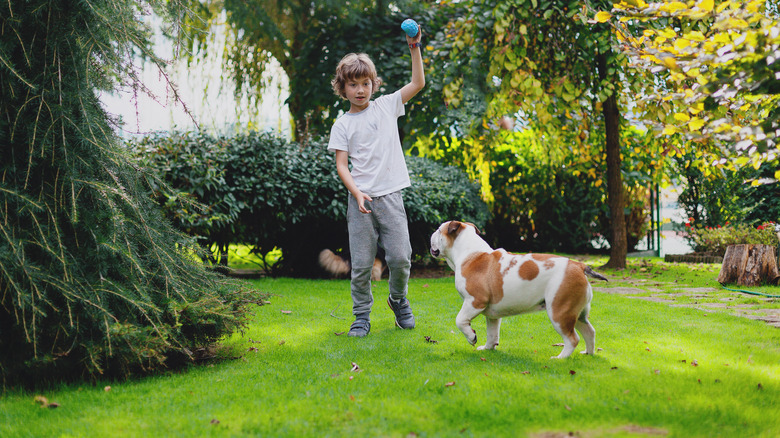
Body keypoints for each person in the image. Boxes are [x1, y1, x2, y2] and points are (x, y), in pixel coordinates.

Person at [327, 27, 425, 337]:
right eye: (353, 85)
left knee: (400, 258)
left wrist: (414, 47)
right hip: (361, 202)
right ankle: (361, 317)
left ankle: (397, 300)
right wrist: (356, 193)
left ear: (374, 84)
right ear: (343, 88)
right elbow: (342, 165)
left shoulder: (386, 106)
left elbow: (418, 83)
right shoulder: (342, 124)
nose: (360, 90)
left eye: (365, 83)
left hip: (391, 197)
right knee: (361, 267)